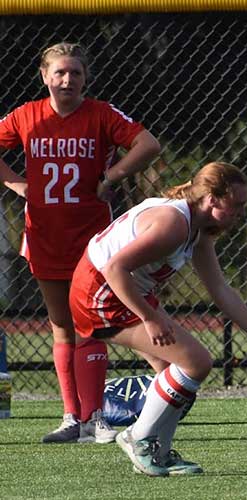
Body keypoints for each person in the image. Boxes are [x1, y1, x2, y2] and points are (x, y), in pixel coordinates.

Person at [69, 161, 247, 476]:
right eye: (236, 205)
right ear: (211, 198)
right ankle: (138, 439)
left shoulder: (197, 229)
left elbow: (220, 290)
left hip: (123, 290)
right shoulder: (175, 224)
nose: (241, 212)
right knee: (197, 362)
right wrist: (149, 317)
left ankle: (160, 453)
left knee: (172, 373)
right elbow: (114, 268)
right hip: (99, 292)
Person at [0, 42, 161, 443]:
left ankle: (94, 417)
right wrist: (16, 183)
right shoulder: (26, 115)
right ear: (44, 76)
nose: (67, 79)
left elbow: (148, 144)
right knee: (61, 327)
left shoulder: (101, 114)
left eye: (75, 72)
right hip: (45, 235)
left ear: (86, 78)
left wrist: (113, 175)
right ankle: (72, 417)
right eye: (59, 72)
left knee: (90, 324)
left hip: (92, 239)